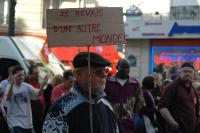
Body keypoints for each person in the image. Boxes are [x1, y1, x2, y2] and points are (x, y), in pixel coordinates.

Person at [43, 52, 119, 133]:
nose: (104, 75)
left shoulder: (107, 106)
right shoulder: (60, 109)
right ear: (79, 75)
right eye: (99, 72)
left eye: (106, 71)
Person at [2, 65, 48, 133]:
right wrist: (12, 83)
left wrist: (43, 84)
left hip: (27, 122)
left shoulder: (26, 86)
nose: (21, 77)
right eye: (19, 75)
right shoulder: (9, 87)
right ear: (14, 76)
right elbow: (8, 97)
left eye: (23, 75)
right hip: (15, 121)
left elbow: (38, 94)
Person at [158, 62, 200, 133]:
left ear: (193, 74)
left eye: (190, 72)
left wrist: (196, 122)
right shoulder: (172, 87)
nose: (188, 73)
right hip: (176, 130)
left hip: (191, 129)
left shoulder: (192, 89)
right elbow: (162, 107)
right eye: (185, 71)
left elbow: (196, 109)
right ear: (180, 73)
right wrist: (173, 123)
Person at [105, 59, 144, 133]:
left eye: (127, 68)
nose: (126, 70)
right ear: (117, 67)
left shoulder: (135, 84)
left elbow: (140, 103)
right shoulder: (108, 82)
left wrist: (133, 117)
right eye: (123, 67)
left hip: (128, 124)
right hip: (110, 121)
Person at [25, 65, 44, 133]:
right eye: (35, 73)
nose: (37, 75)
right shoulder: (25, 83)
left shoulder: (37, 82)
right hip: (30, 111)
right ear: (30, 74)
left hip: (39, 111)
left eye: (38, 73)